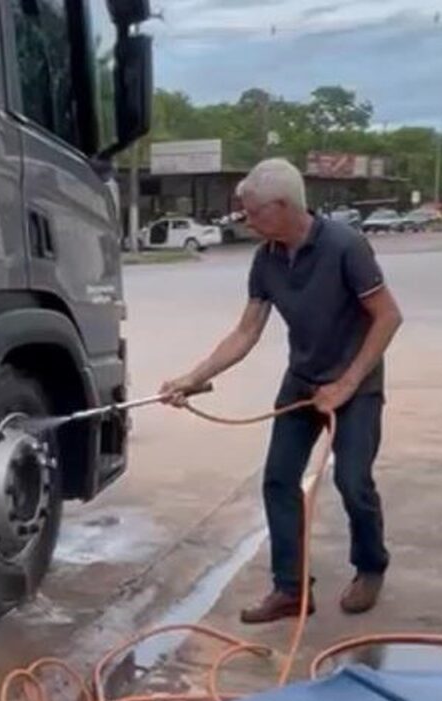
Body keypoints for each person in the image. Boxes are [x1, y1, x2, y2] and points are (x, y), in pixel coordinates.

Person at [161, 159, 403, 623]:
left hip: (356, 382)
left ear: (284, 206)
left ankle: (370, 567)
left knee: (353, 481)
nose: (246, 220)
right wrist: (194, 376)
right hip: (303, 381)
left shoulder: (345, 246)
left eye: (252, 212)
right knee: (278, 480)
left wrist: (348, 383)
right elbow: (246, 330)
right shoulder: (266, 257)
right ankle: (291, 590)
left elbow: (388, 316)